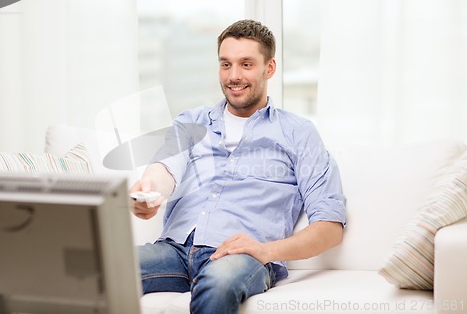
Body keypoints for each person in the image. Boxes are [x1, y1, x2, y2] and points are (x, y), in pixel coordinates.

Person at [130, 19, 346, 314]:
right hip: (174, 249)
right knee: (100, 267)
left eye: (246, 64)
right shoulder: (192, 121)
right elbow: (164, 169)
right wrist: (148, 191)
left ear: (269, 68)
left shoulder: (299, 132)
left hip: (242, 257)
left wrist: (266, 251)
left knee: (219, 281)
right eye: (226, 64)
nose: (233, 76)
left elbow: (330, 227)